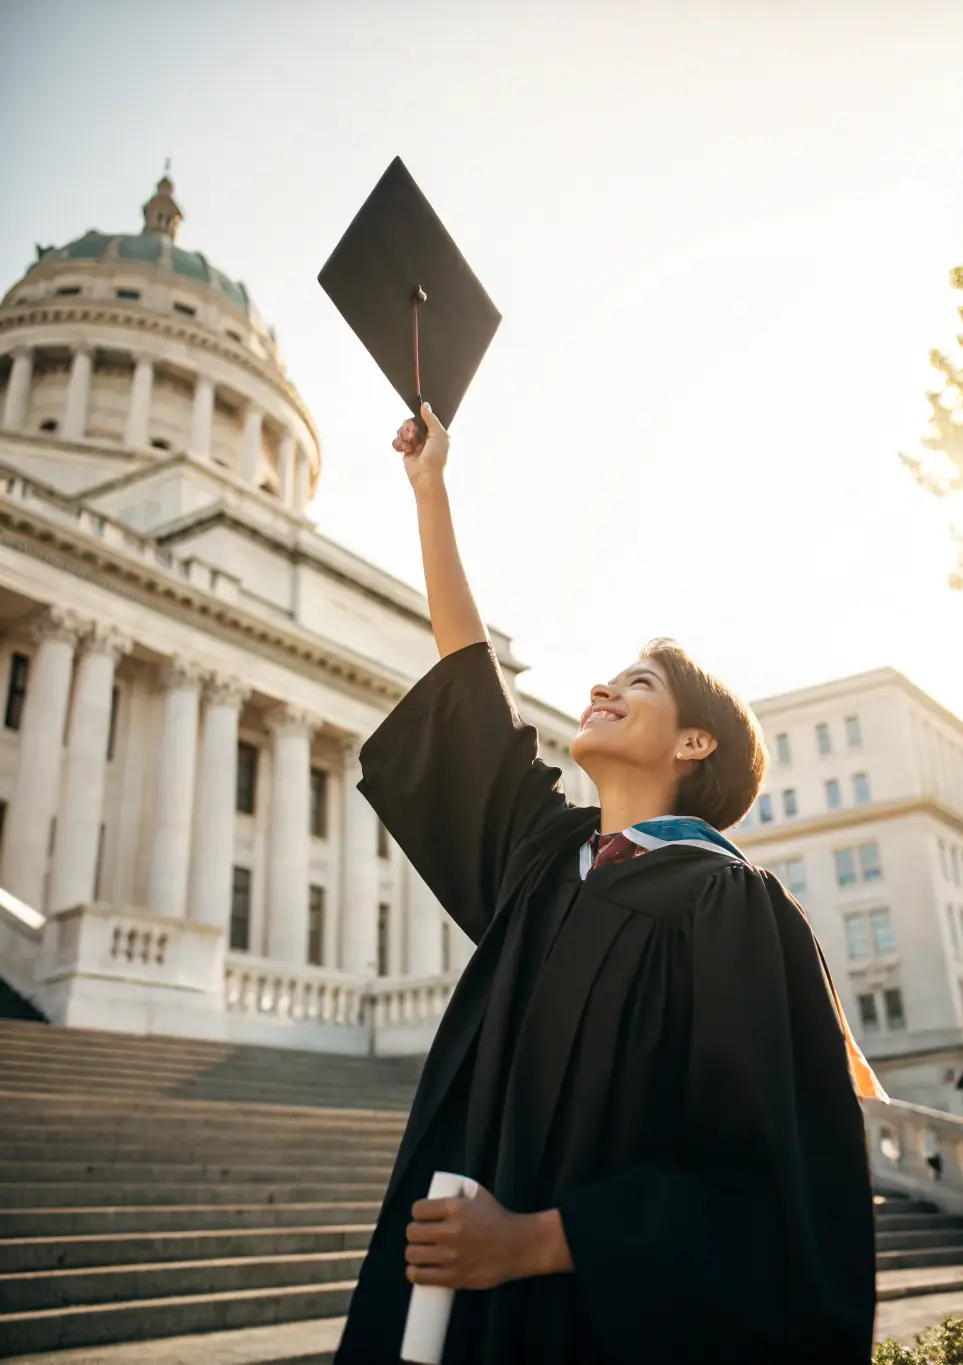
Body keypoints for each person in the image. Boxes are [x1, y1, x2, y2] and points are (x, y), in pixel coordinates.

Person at [334, 403, 879, 1365]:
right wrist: (432, 489)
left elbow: (766, 1187)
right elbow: (470, 684)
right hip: (467, 1321)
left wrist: (538, 1240)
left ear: (694, 741)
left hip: (598, 1328)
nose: (601, 689)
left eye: (638, 685)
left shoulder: (734, 910)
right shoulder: (547, 860)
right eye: (609, 676)